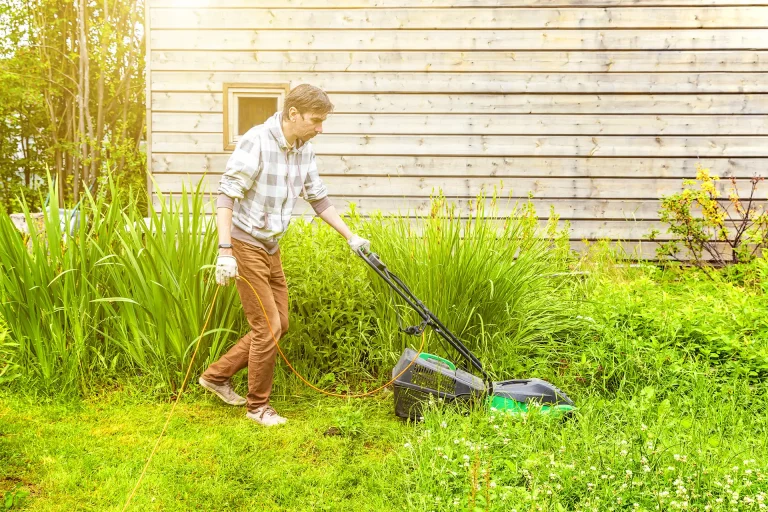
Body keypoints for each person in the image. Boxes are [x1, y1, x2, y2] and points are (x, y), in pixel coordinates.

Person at [198, 84, 370, 427]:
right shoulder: (256, 141)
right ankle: (257, 407)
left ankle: (216, 376)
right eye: (316, 121)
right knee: (268, 327)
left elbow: (317, 198)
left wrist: (352, 237)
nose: (321, 128)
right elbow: (226, 195)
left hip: (270, 246)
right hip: (244, 244)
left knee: (281, 324)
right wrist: (224, 251)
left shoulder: (303, 149)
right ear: (293, 114)